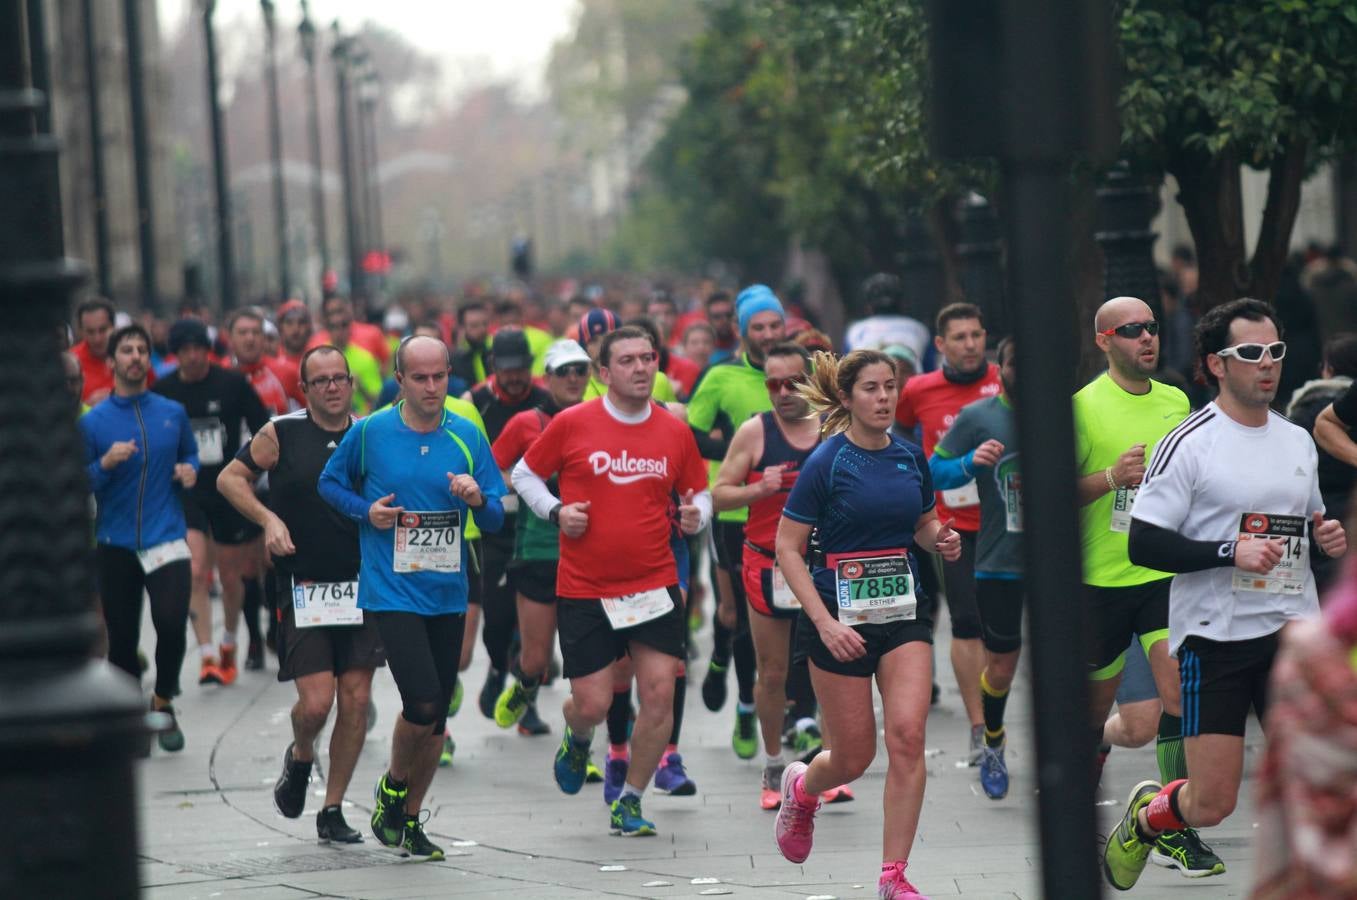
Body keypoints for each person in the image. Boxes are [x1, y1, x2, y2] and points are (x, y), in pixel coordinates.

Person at [1103, 298, 1348, 891]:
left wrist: (1326, 538)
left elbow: (1304, 528)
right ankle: (1147, 818)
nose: (1267, 364)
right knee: (1212, 802)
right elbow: (1144, 544)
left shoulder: (1296, 440)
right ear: (1216, 364)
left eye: (1276, 352)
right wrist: (1226, 551)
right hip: (1217, 638)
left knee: (1323, 784)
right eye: (1251, 354)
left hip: (1293, 633)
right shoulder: (1189, 442)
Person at [772, 349, 960, 900]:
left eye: (890, 387)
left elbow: (923, 523)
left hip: (902, 613)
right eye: (871, 389)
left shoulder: (909, 456)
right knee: (855, 757)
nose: (883, 398)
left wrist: (940, 538)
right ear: (848, 398)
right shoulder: (826, 463)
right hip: (839, 617)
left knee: (908, 737)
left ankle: (892, 876)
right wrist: (824, 622)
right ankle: (803, 788)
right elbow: (787, 548)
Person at [511, 325, 711, 837]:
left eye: (648, 358)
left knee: (660, 695)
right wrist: (556, 512)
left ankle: (632, 798)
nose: (642, 368)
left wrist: (697, 516)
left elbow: (699, 491)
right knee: (595, 704)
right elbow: (524, 474)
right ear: (604, 373)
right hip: (585, 589)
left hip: (653, 584)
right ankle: (578, 738)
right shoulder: (574, 423)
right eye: (627, 361)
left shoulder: (673, 430)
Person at [319, 335, 506, 859]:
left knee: (438, 716)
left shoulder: (467, 434)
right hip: (391, 588)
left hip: (447, 590)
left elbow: (494, 515)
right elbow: (329, 485)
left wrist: (475, 497)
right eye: (419, 378)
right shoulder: (371, 432)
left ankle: (408, 818)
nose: (431, 387)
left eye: (439, 376)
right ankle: (392, 787)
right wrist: (366, 512)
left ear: (451, 375)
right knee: (422, 700)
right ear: (398, 380)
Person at [1072, 296, 1222, 878]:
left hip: (1161, 575)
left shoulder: (1176, 401)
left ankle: (1171, 827)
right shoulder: (1082, 409)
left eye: (1153, 328)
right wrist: (1112, 477)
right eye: (1133, 330)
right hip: (1098, 583)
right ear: (1105, 340)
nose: (1148, 339)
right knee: (1100, 715)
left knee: (1177, 698)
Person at [217, 345, 383, 843]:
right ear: (303, 390)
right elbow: (230, 479)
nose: (332, 387)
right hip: (304, 584)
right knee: (316, 703)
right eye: (321, 381)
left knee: (355, 699)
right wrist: (268, 519)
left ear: (352, 384)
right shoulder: (282, 433)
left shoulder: (371, 435)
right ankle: (302, 753)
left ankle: (332, 809)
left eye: (340, 379)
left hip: (364, 584)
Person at [713, 342, 850, 810]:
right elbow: (718, 495)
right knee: (772, 673)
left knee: (828, 669)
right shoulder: (755, 432)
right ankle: (773, 767)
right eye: (773, 384)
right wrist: (759, 487)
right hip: (766, 564)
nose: (783, 392)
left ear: (810, 380)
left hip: (821, 565)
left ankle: (828, 766)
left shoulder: (835, 426)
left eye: (793, 381)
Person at [81, 323, 198, 752]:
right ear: (111, 362)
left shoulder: (171, 411)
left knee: (170, 623)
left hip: (166, 535)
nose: (135, 357)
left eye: (142, 350)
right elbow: (77, 482)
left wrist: (190, 470)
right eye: (126, 351)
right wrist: (104, 465)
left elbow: (189, 453)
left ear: (149, 359)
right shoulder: (94, 422)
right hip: (114, 542)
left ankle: (163, 699)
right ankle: (132, 719)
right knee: (123, 640)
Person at [893, 302, 1001, 761]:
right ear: (940, 344)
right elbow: (898, 441)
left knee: (1006, 629)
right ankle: (979, 727)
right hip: (953, 526)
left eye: (976, 334)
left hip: (1008, 523)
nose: (971, 344)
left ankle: (998, 708)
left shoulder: (1003, 380)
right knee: (966, 622)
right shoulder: (917, 390)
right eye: (960, 337)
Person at [688, 284, 788, 760]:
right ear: (742, 332)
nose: (768, 335)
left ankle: (799, 712)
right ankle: (745, 701)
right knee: (739, 616)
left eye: (774, 326)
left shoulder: (802, 372)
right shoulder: (721, 377)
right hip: (736, 512)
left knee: (799, 613)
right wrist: (739, 453)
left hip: (793, 512)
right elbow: (690, 435)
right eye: (758, 328)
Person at [929, 337, 1023, 800]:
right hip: (998, 561)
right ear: (999, 369)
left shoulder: (1072, 413)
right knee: (1001, 666)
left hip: (1064, 565)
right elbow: (933, 471)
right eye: (1014, 364)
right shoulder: (978, 417)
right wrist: (969, 461)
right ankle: (993, 739)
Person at [154, 318, 271, 685]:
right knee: (194, 570)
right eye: (185, 351)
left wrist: (248, 473)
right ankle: (206, 655)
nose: (192, 357)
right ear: (176, 354)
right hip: (187, 490)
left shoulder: (232, 384)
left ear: (208, 350)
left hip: (228, 488)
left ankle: (229, 640)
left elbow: (263, 429)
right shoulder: (164, 390)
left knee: (232, 576)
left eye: (198, 349)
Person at [489, 340, 591, 733]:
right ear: (547, 378)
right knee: (537, 660)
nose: (572, 378)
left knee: (583, 659)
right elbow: (491, 472)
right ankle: (525, 685)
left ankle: (580, 737)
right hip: (539, 551)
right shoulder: (525, 423)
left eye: (580, 369)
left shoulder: (602, 418)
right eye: (563, 371)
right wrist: (531, 488)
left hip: (590, 554)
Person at [468, 328, 554, 733]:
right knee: (499, 618)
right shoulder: (476, 402)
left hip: (540, 530)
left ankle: (528, 703)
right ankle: (496, 668)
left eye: (522, 369)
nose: (516, 377)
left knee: (532, 623)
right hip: (496, 524)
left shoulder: (545, 402)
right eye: (508, 371)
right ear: (493, 369)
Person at [315, 296, 382, 414]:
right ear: (327, 329)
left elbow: (378, 399)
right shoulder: (317, 358)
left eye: (344, 325)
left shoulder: (365, 358)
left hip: (359, 420)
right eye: (334, 326)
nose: (339, 331)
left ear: (350, 327)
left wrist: (360, 387)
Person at [72, 297, 119, 405]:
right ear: (81, 331)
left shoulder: (133, 356)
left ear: (113, 327)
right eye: (90, 332)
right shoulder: (71, 362)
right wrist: (87, 405)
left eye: (102, 330)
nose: (97, 339)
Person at [451, 300, 493, 387]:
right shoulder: (454, 360)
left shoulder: (495, 351)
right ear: (462, 328)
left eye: (484, 324)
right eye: (474, 325)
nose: (482, 329)